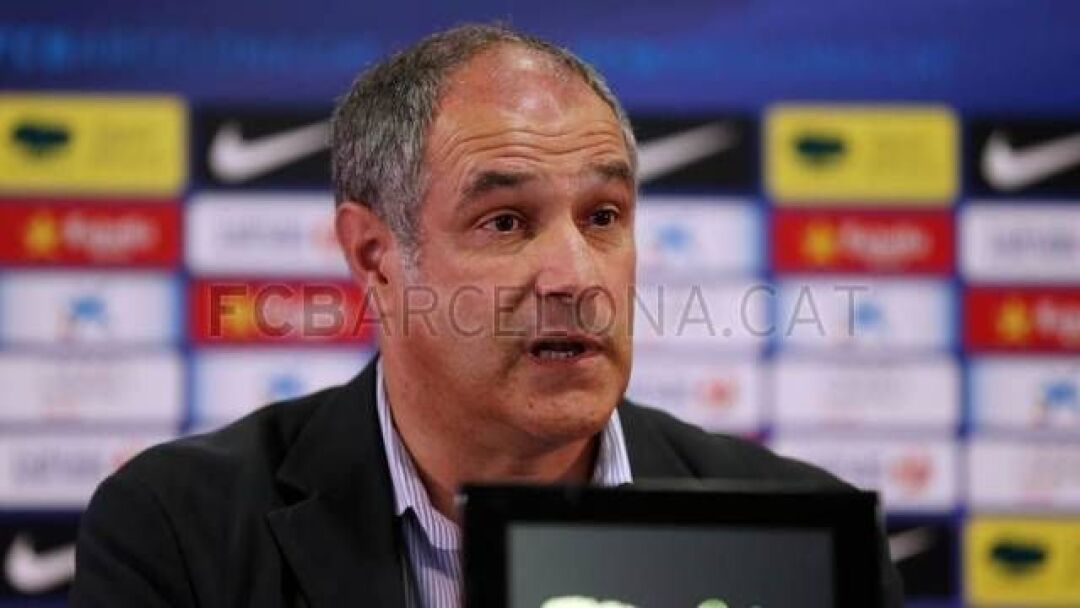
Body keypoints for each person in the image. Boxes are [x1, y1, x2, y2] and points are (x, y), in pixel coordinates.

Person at [70, 23, 903, 607]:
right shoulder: (179, 529)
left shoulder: (806, 542)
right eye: (505, 222)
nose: (577, 277)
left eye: (603, 216)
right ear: (375, 257)